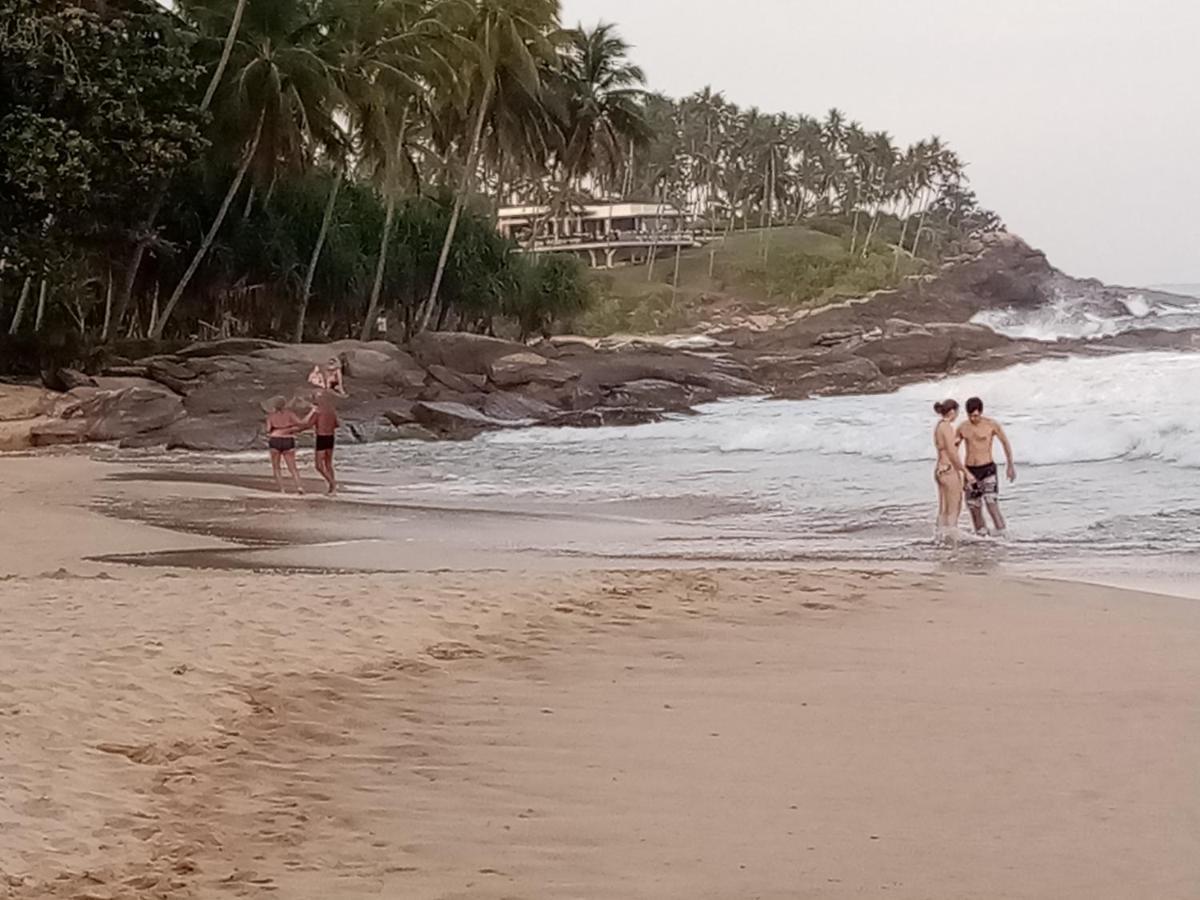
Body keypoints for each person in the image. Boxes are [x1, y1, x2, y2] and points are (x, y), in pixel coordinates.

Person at [957, 396, 1016, 536]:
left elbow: (1005, 443)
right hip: (970, 470)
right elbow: (952, 449)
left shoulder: (991, 425)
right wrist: (958, 470)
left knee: (991, 504)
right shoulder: (963, 427)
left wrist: (1010, 465)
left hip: (988, 469)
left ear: (981, 412)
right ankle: (981, 538)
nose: (973, 419)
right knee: (974, 507)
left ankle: (1003, 536)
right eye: (970, 415)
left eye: (976, 415)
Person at [932, 399, 975, 544]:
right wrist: (965, 472)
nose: (957, 415)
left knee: (943, 508)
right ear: (952, 412)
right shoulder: (947, 427)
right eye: (957, 412)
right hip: (949, 470)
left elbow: (946, 447)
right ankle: (950, 540)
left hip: (940, 469)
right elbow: (952, 454)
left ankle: (939, 538)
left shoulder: (939, 426)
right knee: (954, 507)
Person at [265, 396, 306, 494]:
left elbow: (267, 429)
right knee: (292, 467)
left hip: (275, 439)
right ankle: (299, 487)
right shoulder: (290, 414)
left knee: (276, 467)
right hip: (288, 439)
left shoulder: (271, 416)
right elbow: (301, 424)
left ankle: (282, 489)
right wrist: (290, 429)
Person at [304, 390, 340, 495]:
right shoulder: (331, 411)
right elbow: (336, 424)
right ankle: (332, 489)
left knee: (319, 465)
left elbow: (309, 424)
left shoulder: (317, 411)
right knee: (328, 463)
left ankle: (332, 484)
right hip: (331, 437)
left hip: (321, 437)